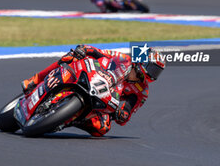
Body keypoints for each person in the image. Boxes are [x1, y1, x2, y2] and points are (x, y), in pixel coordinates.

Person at [21, 45, 165, 137]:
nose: (153, 74)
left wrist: (121, 114)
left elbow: (128, 111)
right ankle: (36, 79)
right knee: (70, 57)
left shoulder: (142, 91)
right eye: (152, 68)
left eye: (157, 72)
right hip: (93, 75)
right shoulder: (123, 59)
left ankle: (71, 119)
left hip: (104, 100)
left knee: (102, 128)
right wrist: (84, 49)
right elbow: (99, 52)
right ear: (142, 61)